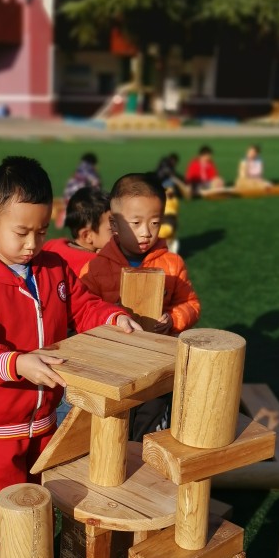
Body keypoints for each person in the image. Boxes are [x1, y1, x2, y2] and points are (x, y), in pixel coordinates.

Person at [0, 155, 141, 558]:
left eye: (41, 231)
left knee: (44, 499)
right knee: (3, 509)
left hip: (46, 417)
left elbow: (83, 307)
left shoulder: (53, 268)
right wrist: (16, 362)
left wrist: (112, 317)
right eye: (21, 232)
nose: (32, 244)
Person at [80, 172, 201, 438]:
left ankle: (145, 457)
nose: (146, 232)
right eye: (136, 223)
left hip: (156, 369)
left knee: (151, 423)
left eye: (155, 223)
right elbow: (81, 313)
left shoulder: (172, 263)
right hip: (111, 367)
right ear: (114, 223)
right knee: (111, 428)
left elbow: (190, 303)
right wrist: (111, 316)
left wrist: (173, 318)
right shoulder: (95, 268)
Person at [42, 186, 112, 276]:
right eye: (112, 228)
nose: (118, 231)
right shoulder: (97, 264)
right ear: (87, 235)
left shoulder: (52, 245)